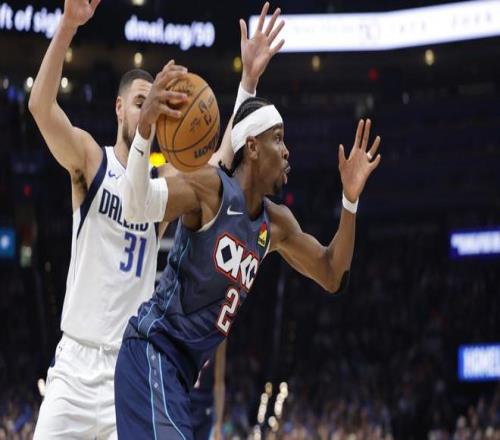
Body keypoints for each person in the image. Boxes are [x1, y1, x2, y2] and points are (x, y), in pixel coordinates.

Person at [114, 19, 382, 439]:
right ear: (253, 147)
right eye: (279, 138)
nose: (287, 151)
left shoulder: (276, 223)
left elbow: (333, 274)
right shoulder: (209, 188)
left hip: (181, 375)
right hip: (151, 352)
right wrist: (146, 129)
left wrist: (350, 202)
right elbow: (136, 204)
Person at [27, 0, 284, 436]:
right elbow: (40, 107)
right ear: (119, 109)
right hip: (74, 366)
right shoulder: (92, 161)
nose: (148, 110)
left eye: (155, 104)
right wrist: (68, 25)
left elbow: (223, 163)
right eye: (139, 102)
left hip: (128, 367)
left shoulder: (162, 187)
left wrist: (248, 82)